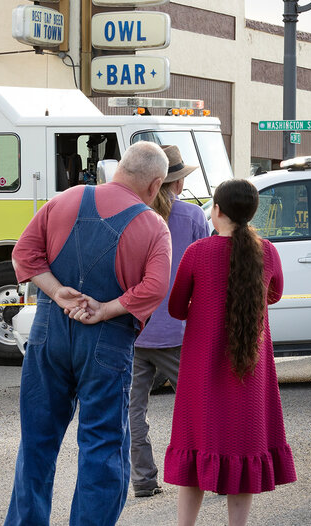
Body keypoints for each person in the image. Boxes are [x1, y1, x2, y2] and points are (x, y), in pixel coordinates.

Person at [5, 141, 173, 525]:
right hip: (107, 340)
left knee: (36, 444)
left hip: (49, 329)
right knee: (102, 447)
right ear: (155, 185)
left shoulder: (65, 199)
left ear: (118, 168)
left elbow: (24, 254)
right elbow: (155, 287)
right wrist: (106, 309)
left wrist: (56, 293)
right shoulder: (153, 226)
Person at [164, 179, 295, 526]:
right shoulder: (267, 252)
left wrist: (205, 308)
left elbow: (176, 308)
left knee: (196, 446)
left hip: (202, 366)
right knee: (243, 449)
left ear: (217, 210)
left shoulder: (197, 252)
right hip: (250, 365)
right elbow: (274, 294)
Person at [128, 145, 212, 499]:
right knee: (200, 407)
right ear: (176, 183)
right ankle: (211, 473)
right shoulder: (192, 216)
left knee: (133, 411)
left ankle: (143, 480)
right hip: (178, 331)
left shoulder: (131, 216)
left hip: (132, 330)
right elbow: (206, 274)